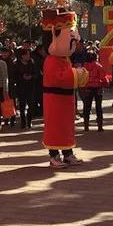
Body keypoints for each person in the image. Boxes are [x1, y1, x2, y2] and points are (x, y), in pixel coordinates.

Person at [41, 9, 87, 167]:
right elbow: (60, 78)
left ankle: (68, 153)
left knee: (66, 127)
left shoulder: (63, 59)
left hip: (65, 99)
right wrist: (76, 73)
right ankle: (54, 155)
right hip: (55, 100)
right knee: (55, 127)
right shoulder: (51, 60)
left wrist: (77, 74)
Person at [80, 50, 109, 131]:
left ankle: (86, 126)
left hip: (87, 88)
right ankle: (100, 126)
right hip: (97, 88)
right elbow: (104, 78)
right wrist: (106, 84)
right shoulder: (98, 66)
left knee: (87, 107)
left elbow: (81, 78)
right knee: (98, 107)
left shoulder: (84, 67)